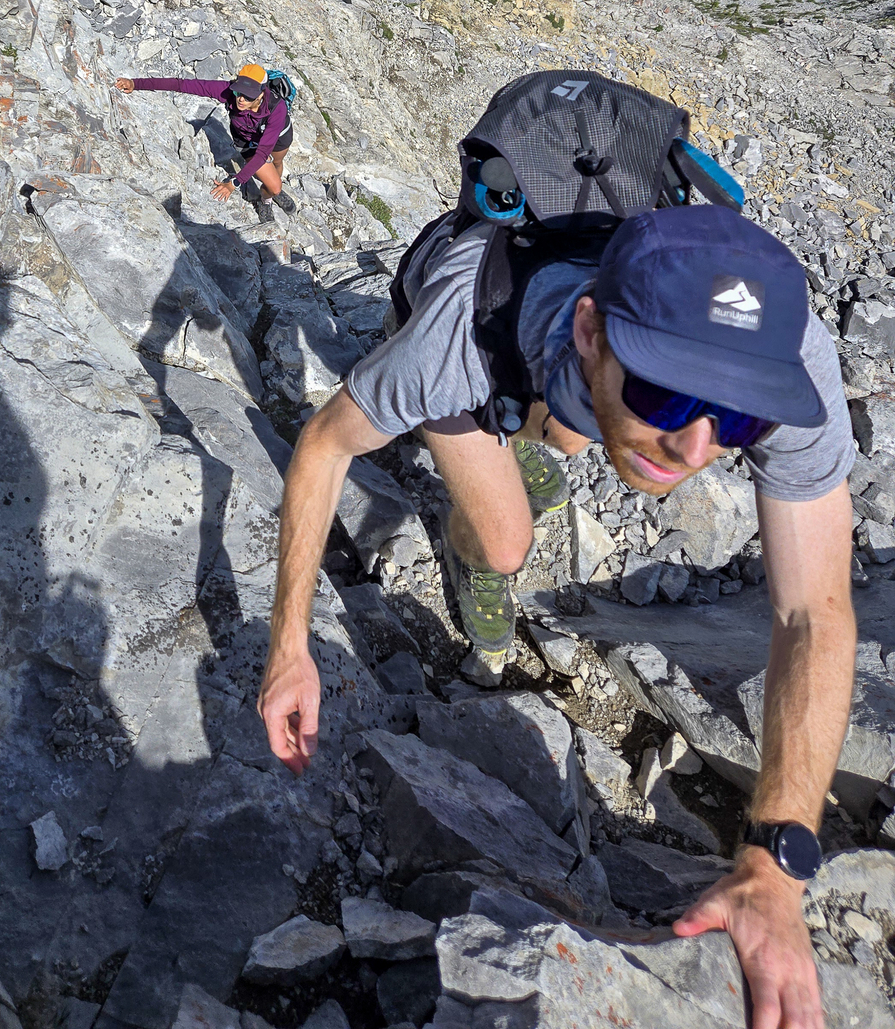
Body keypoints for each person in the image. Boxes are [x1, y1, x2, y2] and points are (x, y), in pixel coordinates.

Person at [259, 202, 854, 1029]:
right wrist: (290, 645)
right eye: (667, 394)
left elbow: (814, 613)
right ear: (589, 330)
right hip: (482, 331)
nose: (697, 451)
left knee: (579, 440)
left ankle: (533, 450)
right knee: (506, 541)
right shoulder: (453, 341)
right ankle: (486, 542)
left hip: (563, 377)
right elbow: (324, 444)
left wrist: (777, 863)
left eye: (741, 420)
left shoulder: (788, 363)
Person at [115, 62, 297, 224]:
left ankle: (272, 194)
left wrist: (233, 183)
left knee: (277, 163)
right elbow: (181, 85)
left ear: (260, 94)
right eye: (238, 92)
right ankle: (266, 200)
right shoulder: (228, 91)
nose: (240, 99)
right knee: (274, 186)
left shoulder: (277, 108)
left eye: (248, 96)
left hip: (279, 135)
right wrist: (136, 83)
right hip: (248, 141)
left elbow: (264, 152)